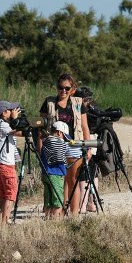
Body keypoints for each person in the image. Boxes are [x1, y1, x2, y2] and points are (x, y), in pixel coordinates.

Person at [39, 73, 91, 216]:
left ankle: (74, 213)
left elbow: (85, 127)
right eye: (60, 88)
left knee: (72, 179)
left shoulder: (78, 103)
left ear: (72, 89)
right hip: (54, 146)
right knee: (57, 178)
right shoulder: (49, 102)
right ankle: (59, 211)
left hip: (74, 144)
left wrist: (88, 148)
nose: (63, 91)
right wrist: (40, 148)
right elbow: (41, 128)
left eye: (67, 88)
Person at [0, 101, 23, 226]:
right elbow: (20, 132)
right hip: (6, 164)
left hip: (0, 164)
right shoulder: (3, 126)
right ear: (4, 113)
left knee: (3, 194)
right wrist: (16, 120)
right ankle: (4, 222)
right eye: (10, 110)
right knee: (11, 193)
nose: (13, 111)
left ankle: (0, 221)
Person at [75, 87, 99, 213]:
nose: (87, 102)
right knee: (90, 173)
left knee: (88, 173)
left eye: (89, 99)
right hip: (91, 141)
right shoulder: (93, 110)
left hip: (88, 141)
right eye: (86, 99)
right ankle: (88, 204)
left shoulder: (84, 110)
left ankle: (86, 204)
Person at [40, 122, 70, 218]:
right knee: (58, 199)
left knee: (48, 199)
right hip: (56, 173)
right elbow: (59, 157)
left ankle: (48, 218)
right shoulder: (57, 142)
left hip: (46, 173)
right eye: (64, 136)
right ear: (59, 133)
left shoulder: (46, 142)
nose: (64, 139)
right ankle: (56, 221)